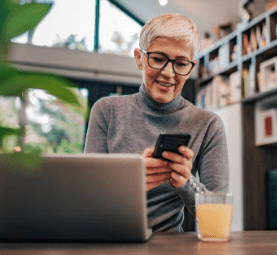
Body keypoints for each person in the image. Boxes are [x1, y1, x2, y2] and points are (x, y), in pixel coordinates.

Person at [84, 13, 229, 232]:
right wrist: (132, 182)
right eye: (159, 59)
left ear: (191, 67)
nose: (168, 73)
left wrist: (185, 182)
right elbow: (87, 200)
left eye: (180, 63)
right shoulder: (106, 111)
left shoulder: (208, 125)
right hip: (110, 242)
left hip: (169, 247)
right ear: (139, 58)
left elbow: (218, 223)